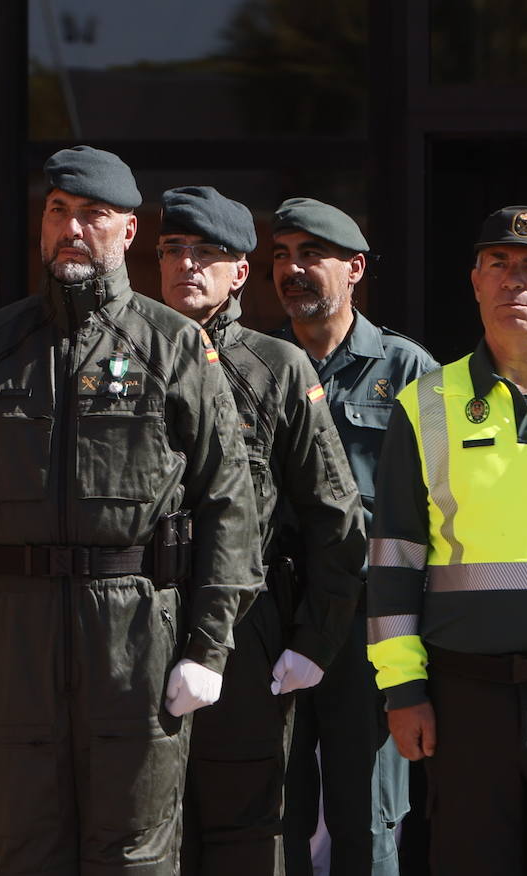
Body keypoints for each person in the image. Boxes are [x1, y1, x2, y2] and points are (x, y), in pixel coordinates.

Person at [0, 146, 260, 874]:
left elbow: (230, 503)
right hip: (15, 635)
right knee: (25, 853)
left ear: (128, 232)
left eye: (93, 215)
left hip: (135, 639)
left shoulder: (172, 344)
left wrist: (208, 647)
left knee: (134, 855)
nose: (71, 229)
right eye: (59, 211)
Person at [154, 187, 368, 875]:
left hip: (248, 630)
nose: (188, 265)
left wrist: (315, 641)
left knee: (248, 832)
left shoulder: (276, 368)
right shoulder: (118, 362)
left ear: (240, 272)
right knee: (141, 827)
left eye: (207, 253)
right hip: (135, 623)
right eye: (173, 250)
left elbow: (338, 517)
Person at [268, 198, 438, 876]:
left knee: (365, 821)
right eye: (281, 255)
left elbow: (435, 513)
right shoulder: (256, 362)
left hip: (368, 630)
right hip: (275, 617)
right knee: (273, 813)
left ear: (356, 269)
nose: (293, 269)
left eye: (312, 255)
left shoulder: (404, 371)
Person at [367, 205, 527, 874]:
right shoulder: (426, 404)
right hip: (466, 701)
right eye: (499, 265)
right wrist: (403, 689)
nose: (514, 281)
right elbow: (395, 560)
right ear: (474, 280)